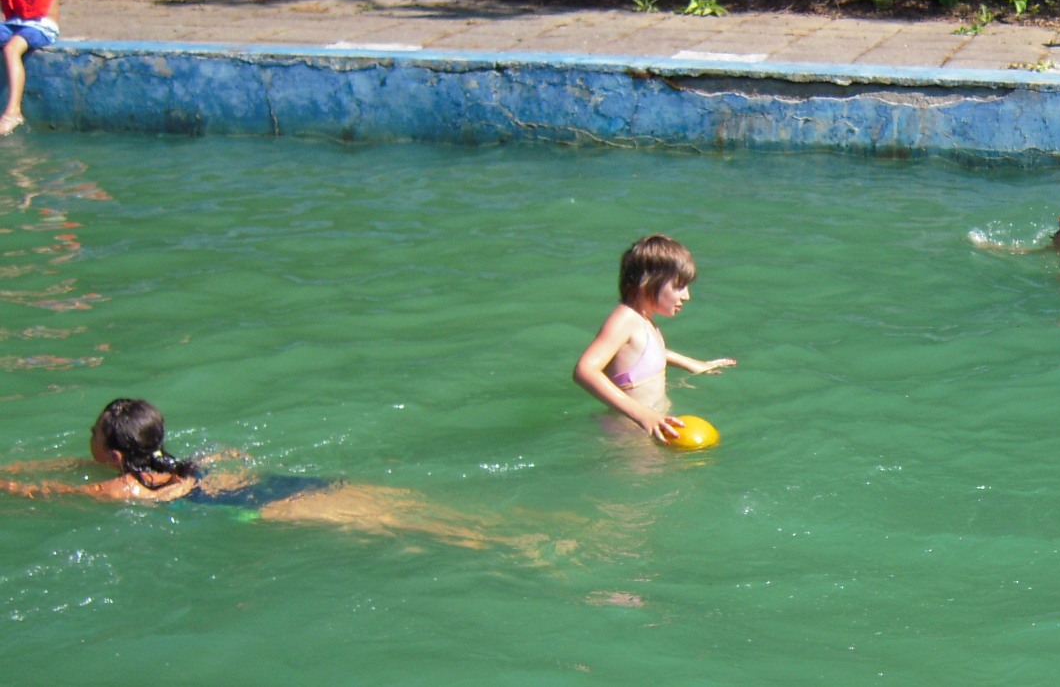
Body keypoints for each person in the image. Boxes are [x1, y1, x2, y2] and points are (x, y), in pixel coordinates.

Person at [0, 398, 561, 558]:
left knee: (412, 528)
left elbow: (41, 493)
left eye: (93, 434)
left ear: (117, 455)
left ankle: (518, 547)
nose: (88, 438)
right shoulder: (177, 461)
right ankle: (528, 528)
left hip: (268, 509)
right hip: (287, 484)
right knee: (409, 508)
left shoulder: (123, 488)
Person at [574, 234, 736, 443]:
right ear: (647, 282)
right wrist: (642, 415)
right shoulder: (625, 319)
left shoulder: (644, 320)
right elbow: (585, 371)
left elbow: (647, 353)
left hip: (651, 424)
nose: (686, 296)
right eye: (678, 286)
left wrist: (692, 364)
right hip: (629, 434)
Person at [0, 0, 62, 136]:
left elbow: (33, 10)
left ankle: (13, 112)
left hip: (42, 25)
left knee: (12, 49)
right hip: (17, 23)